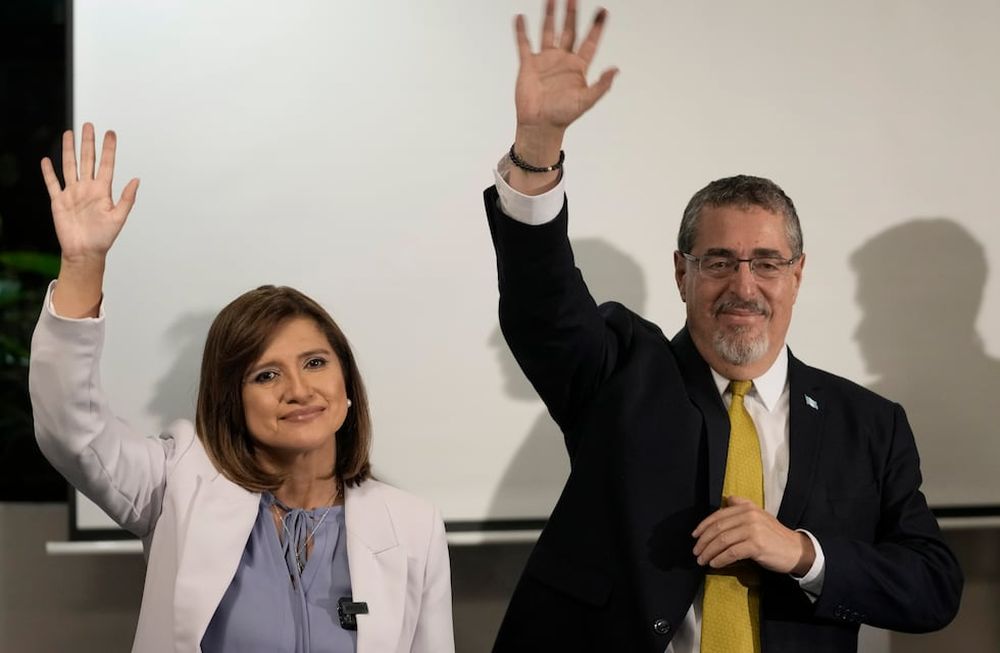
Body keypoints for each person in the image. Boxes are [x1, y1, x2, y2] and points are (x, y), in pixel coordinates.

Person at [482, 2, 963, 652]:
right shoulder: (619, 375)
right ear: (682, 273)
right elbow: (544, 305)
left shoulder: (868, 425)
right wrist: (538, 148)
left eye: (766, 262)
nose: (743, 285)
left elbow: (933, 584)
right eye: (718, 262)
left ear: (797, 275)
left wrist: (802, 552)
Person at [31, 123, 454, 653]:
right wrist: (82, 266)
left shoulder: (413, 526)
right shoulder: (177, 484)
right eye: (266, 374)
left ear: (347, 385)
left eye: (316, 362)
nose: (298, 389)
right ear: (233, 399)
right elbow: (71, 431)